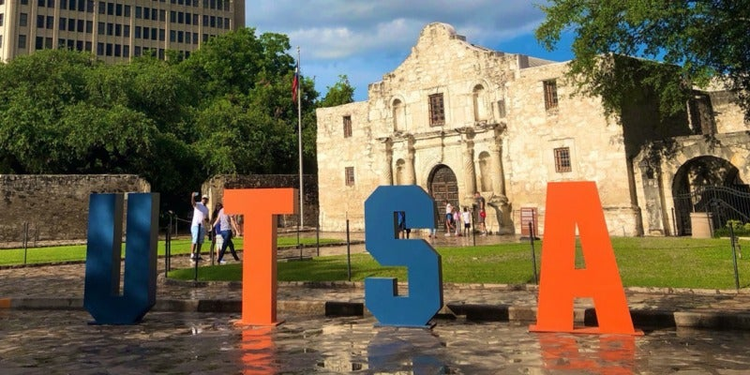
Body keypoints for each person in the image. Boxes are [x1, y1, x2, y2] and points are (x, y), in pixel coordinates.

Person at [190, 192, 210, 262]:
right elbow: (193, 203)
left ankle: (198, 254)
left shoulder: (207, 209)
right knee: (195, 240)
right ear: (202, 199)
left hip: (202, 226)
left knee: (200, 241)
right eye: (204, 198)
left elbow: (207, 219)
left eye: (206, 199)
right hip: (196, 225)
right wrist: (192, 197)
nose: (205, 200)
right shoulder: (198, 204)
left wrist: (207, 220)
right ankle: (192, 254)